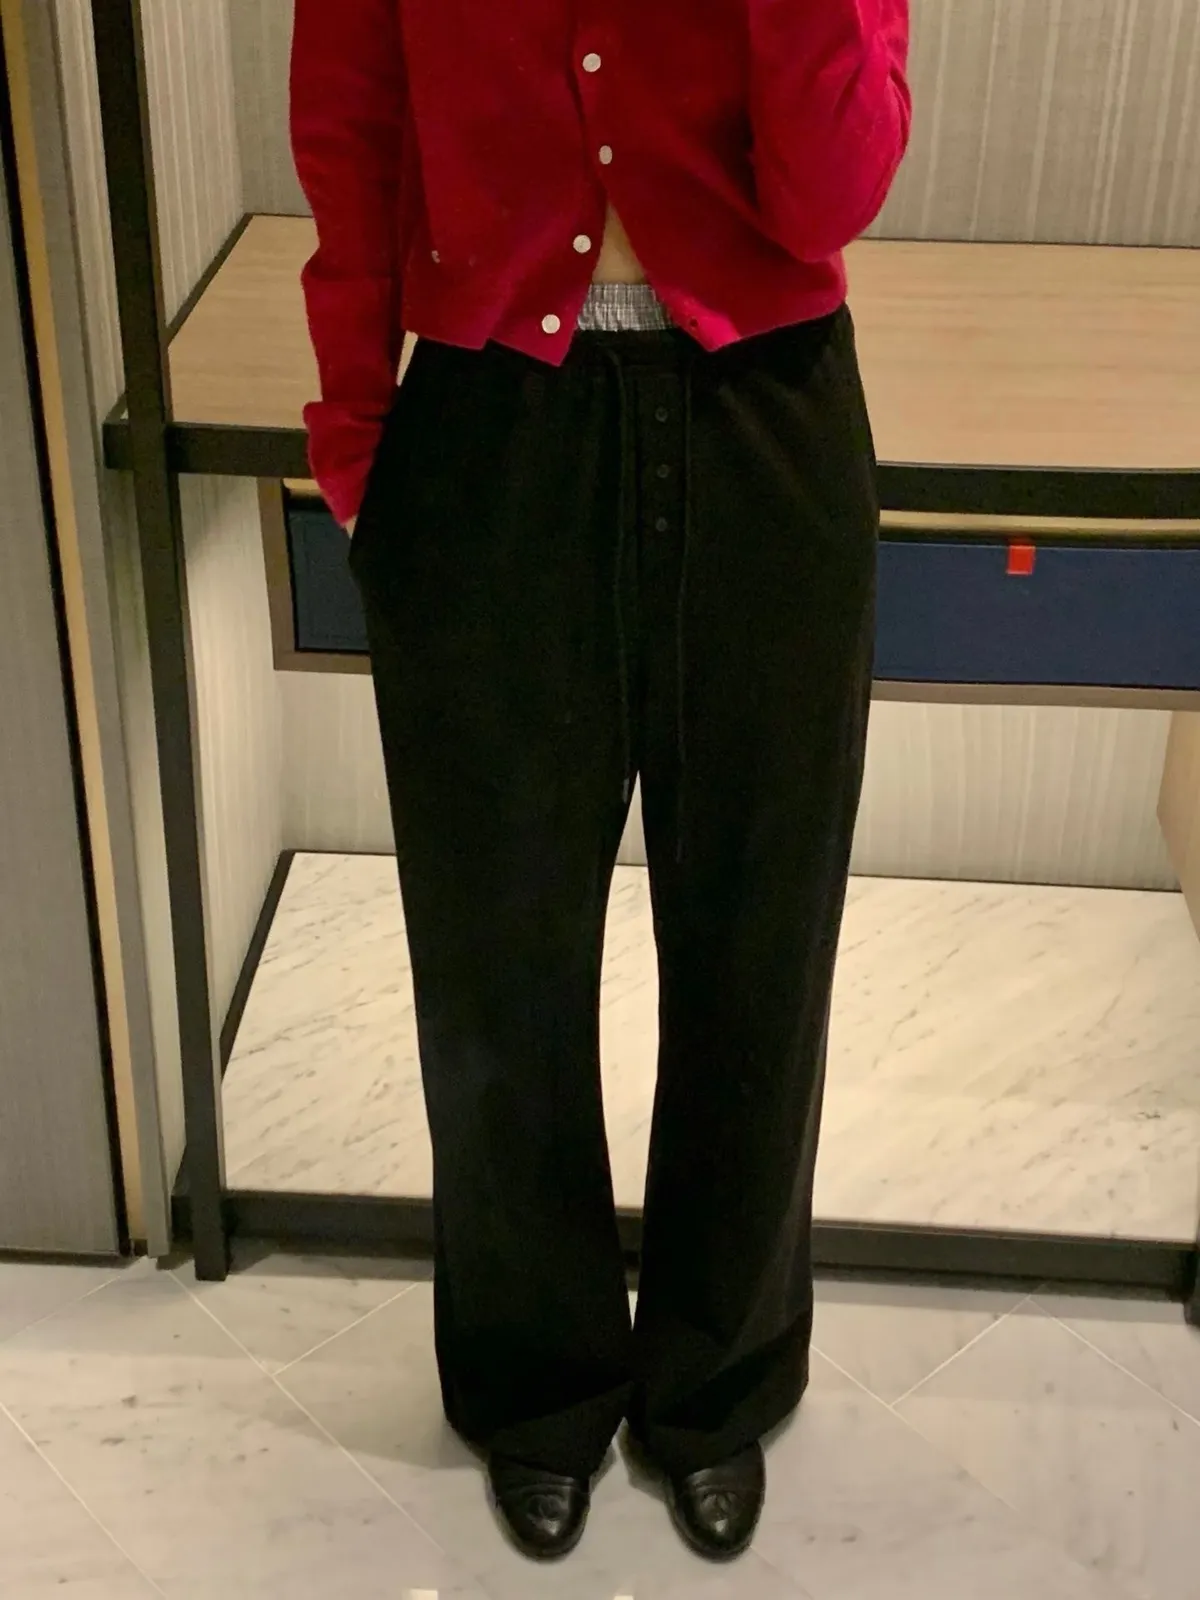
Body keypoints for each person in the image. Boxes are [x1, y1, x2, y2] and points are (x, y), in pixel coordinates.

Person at [291, 0, 911, 1565]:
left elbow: (833, 195)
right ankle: (534, 1381)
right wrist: (357, 432)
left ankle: (720, 1380)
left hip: (764, 418)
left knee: (759, 945)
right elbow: (352, 132)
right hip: (491, 426)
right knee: (497, 954)